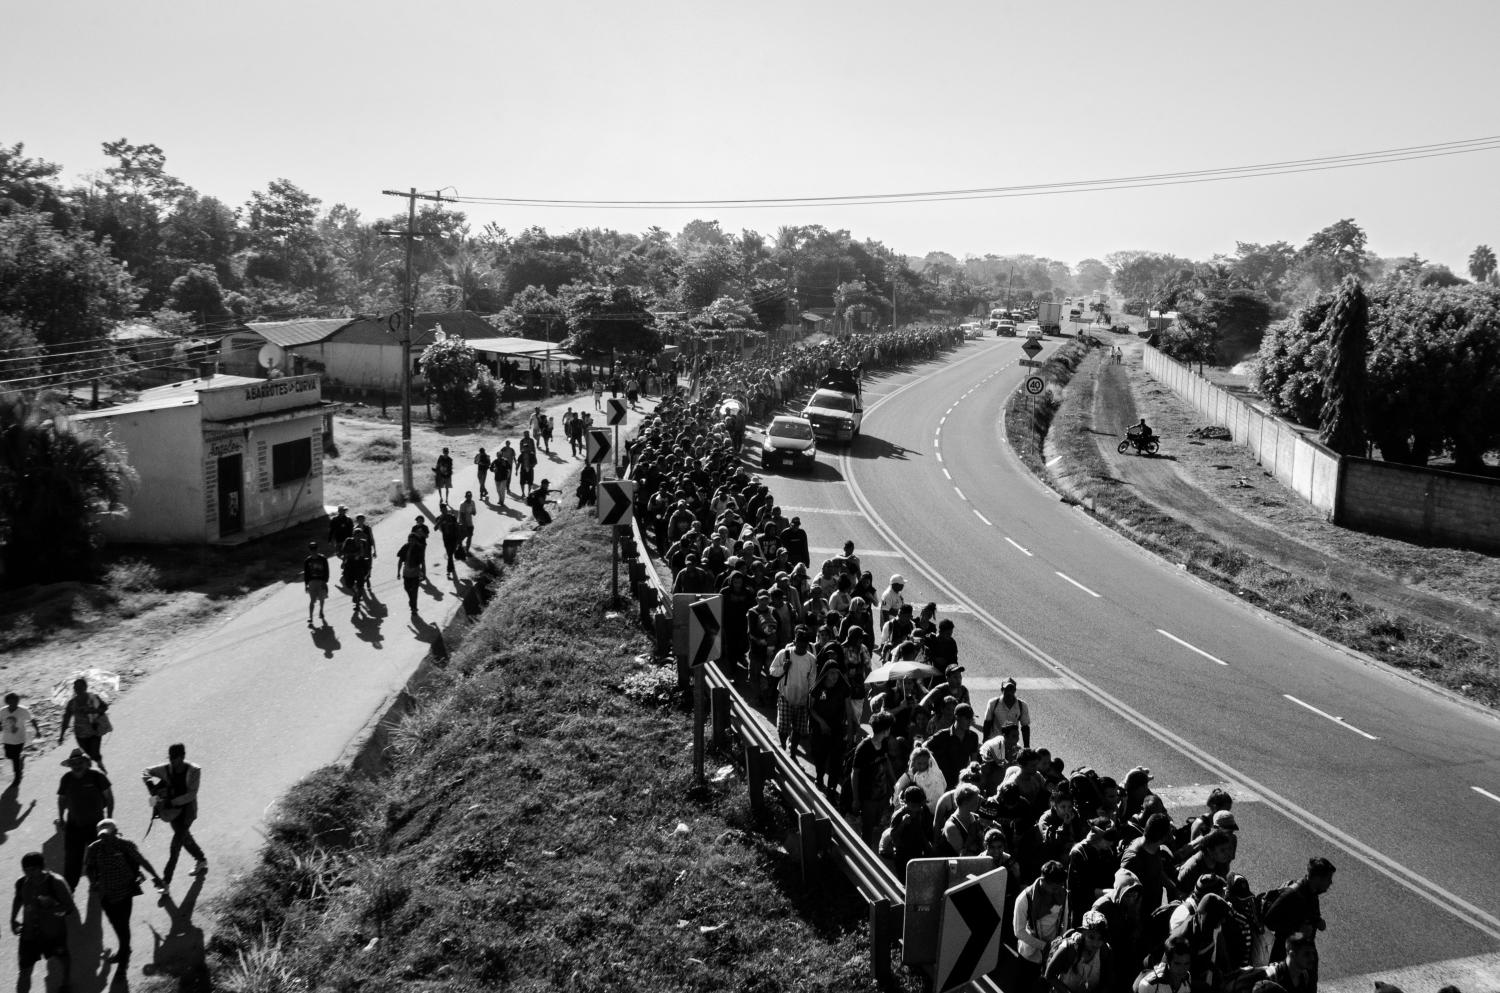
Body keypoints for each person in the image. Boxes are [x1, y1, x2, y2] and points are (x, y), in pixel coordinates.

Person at [84, 818, 162, 966]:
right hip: (105, 893)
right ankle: (125, 947)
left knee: (123, 923)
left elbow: (142, 861)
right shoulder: (94, 848)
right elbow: (88, 867)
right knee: (115, 922)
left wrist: (156, 877)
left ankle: (123, 953)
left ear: (115, 832)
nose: (104, 838)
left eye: (107, 834)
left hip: (125, 891)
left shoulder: (125, 845)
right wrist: (93, 882)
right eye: (101, 835)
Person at [10, 851, 77, 993]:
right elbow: (18, 898)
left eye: (33, 869)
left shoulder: (56, 882)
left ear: (42, 867)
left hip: (53, 933)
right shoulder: (22, 883)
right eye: (26, 870)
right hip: (29, 934)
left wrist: (51, 906)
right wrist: (13, 919)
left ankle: (66, 981)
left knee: (62, 958)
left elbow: (69, 907)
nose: (29, 873)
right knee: (25, 970)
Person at [142, 743, 205, 887]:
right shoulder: (166, 769)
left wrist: (170, 802)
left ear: (183, 757)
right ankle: (201, 860)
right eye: (170, 758)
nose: (171, 761)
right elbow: (145, 771)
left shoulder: (194, 771)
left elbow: (191, 794)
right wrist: (150, 784)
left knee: (175, 846)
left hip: (187, 812)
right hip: (173, 814)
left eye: (174, 758)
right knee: (184, 838)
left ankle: (165, 882)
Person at [56, 747, 113, 890]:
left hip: (97, 826)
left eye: (79, 762)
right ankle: (69, 890)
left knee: (98, 857)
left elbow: (110, 798)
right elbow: (62, 799)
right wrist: (61, 818)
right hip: (74, 826)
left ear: (86, 763)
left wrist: (109, 820)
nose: (76, 766)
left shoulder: (97, 776)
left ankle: (98, 883)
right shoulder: (66, 779)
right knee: (72, 860)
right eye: (73, 763)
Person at [1262, 857, 1335, 961]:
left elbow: (1309, 917)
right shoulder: (1292, 894)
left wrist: (1318, 921)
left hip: (1302, 955)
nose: (1330, 883)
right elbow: (1269, 921)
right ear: (1318, 878)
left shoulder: (1312, 893)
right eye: (1328, 879)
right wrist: (1298, 929)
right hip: (1285, 958)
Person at [1014, 860, 1069, 989]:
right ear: (1043, 881)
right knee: (1022, 986)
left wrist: (1059, 944)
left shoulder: (1062, 893)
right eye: (1055, 887)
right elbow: (1018, 931)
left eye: (1060, 886)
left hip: (1052, 952)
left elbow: (1064, 920)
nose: (1058, 890)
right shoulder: (1024, 898)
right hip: (1029, 954)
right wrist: (1044, 947)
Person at [769, 627, 818, 756]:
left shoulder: (811, 659)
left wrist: (811, 698)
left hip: (802, 700)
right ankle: (783, 744)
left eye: (803, 644)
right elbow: (772, 670)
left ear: (807, 645)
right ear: (794, 642)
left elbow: (812, 681)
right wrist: (783, 669)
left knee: (798, 729)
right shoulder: (784, 654)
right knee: (783, 728)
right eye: (798, 643)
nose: (800, 647)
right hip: (785, 696)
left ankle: (793, 752)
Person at [851, 713, 896, 846]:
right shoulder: (863, 748)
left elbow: (886, 760)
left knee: (876, 823)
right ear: (885, 729)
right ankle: (866, 857)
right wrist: (856, 799)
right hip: (868, 797)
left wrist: (895, 782)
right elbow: (855, 773)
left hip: (881, 794)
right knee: (867, 829)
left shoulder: (884, 743)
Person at [1044, 910, 1114, 993]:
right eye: (1091, 937)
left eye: (1100, 938)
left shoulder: (1104, 951)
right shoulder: (1069, 948)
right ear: (1083, 933)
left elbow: (1108, 981)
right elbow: (1049, 976)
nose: (1095, 944)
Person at [924, 702, 981, 790]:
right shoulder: (943, 735)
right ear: (957, 717)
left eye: (971, 718)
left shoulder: (973, 737)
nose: (970, 722)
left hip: (961, 782)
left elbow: (973, 761)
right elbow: (924, 747)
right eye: (966, 718)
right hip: (943, 783)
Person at [57, 678, 110, 772]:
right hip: (80, 735)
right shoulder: (71, 703)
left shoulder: (93, 698)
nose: (78, 689)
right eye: (76, 687)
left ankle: (99, 766)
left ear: (85, 687)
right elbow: (66, 720)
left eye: (80, 687)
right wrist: (61, 736)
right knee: (88, 754)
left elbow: (105, 707)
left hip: (95, 731)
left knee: (95, 752)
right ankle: (94, 766)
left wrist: (92, 710)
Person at [980, 677, 1030, 760]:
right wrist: (985, 741)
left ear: (1015, 690)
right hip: (995, 743)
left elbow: (1025, 727)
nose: (1010, 692)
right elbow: (987, 723)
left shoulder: (1022, 705)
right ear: (1002, 690)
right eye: (1007, 689)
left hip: (1012, 744)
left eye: (1012, 689)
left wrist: (1026, 747)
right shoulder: (993, 703)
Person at [1, 694, 40, 782]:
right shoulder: (2, 711)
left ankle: (17, 777)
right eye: (11, 701)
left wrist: (38, 731)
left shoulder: (23, 710)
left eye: (16, 701)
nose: (14, 703)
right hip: (7, 739)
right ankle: (20, 761)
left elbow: (32, 719)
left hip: (19, 739)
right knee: (9, 756)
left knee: (15, 758)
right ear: (7, 702)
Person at [341, 519, 373, 614]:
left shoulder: (363, 542)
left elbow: (363, 554)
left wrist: (360, 550)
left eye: (359, 535)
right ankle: (355, 594)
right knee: (348, 584)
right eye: (356, 535)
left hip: (359, 564)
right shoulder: (348, 541)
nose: (358, 537)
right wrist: (348, 557)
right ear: (353, 535)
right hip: (350, 564)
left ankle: (358, 604)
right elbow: (344, 551)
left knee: (360, 585)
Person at [302, 540, 330, 626]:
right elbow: (306, 574)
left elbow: (326, 571)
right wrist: (306, 585)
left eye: (314, 549)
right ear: (309, 550)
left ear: (317, 549)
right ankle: (310, 617)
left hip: (321, 581)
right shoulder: (307, 561)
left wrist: (325, 581)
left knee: (321, 598)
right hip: (312, 582)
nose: (313, 550)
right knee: (312, 600)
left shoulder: (323, 559)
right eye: (312, 549)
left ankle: (321, 610)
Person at [397, 535, 427, 612]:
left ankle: (414, 608)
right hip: (406, 573)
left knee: (414, 591)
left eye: (413, 540)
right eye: (410, 540)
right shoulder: (405, 547)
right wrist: (398, 572)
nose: (411, 542)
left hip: (415, 573)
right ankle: (411, 600)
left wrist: (424, 573)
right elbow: (400, 560)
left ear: (416, 541)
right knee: (407, 588)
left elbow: (422, 562)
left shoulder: (419, 548)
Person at [436, 503, 462, 578]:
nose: (445, 511)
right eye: (443, 509)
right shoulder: (439, 518)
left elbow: (457, 527)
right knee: (450, 555)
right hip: (446, 539)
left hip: (454, 538)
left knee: (450, 554)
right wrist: (441, 520)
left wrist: (459, 541)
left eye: (446, 509)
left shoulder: (452, 517)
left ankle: (450, 569)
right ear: (440, 510)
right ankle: (449, 570)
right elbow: (435, 528)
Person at [495, 441, 516, 505]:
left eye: (508, 443)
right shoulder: (503, 449)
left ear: (509, 444)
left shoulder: (512, 449)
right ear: (506, 444)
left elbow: (513, 456)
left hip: (509, 465)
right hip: (502, 465)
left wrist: (515, 462)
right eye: (507, 443)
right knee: (504, 477)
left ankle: (508, 488)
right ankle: (505, 489)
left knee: (508, 477)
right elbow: (499, 455)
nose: (507, 444)